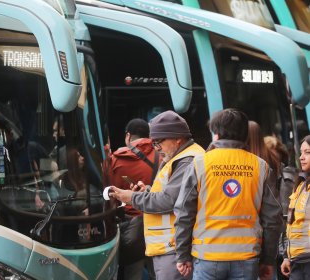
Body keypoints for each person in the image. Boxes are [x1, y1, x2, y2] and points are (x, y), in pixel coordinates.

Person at [174, 108, 282, 280]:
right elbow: (272, 219)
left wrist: (182, 254)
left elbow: (184, 214)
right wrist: (268, 259)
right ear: (245, 135)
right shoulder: (261, 167)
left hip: (207, 255)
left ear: (216, 134)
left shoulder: (199, 164)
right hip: (246, 257)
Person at [110, 110, 205, 280]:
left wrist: (130, 197)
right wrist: (147, 191)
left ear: (177, 138)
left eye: (159, 142)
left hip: (174, 248)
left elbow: (168, 200)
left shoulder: (187, 160)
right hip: (171, 247)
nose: (156, 148)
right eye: (154, 143)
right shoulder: (179, 157)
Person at [108, 118, 160, 280]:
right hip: (158, 224)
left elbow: (110, 196)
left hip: (132, 229)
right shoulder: (161, 156)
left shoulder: (115, 159)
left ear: (128, 136)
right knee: (158, 272)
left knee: (133, 274)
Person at [265, 135, 297, 280]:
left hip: (285, 248)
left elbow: (287, 217)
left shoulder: (288, 178)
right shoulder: (263, 177)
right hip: (275, 248)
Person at [280, 135, 310, 280]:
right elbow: (291, 222)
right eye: (301, 153)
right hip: (297, 261)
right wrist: (286, 256)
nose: (302, 157)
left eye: (308, 153)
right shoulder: (299, 186)